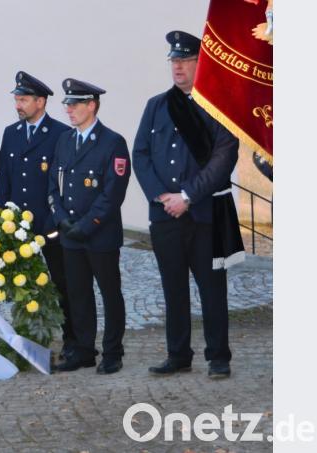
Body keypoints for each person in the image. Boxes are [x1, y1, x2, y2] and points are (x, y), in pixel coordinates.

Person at [132, 31, 240, 379]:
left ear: (199, 63)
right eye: (173, 61)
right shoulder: (156, 106)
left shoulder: (218, 107)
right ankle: (178, 355)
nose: (177, 67)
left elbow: (224, 158)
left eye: (185, 60)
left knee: (212, 289)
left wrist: (187, 196)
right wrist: (162, 196)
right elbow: (141, 154)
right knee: (173, 288)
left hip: (206, 214)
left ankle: (218, 357)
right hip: (165, 215)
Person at [48, 78, 131, 375]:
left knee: (110, 293)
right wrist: (60, 218)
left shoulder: (112, 142)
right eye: (67, 104)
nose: (68, 110)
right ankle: (84, 350)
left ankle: (112, 351)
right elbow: (53, 184)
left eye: (74, 104)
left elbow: (113, 193)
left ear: (91, 105)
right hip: (70, 233)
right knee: (79, 294)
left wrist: (87, 224)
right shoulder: (65, 140)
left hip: (100, 234)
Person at [0, 71, 75, 361]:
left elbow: (62, 184)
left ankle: (71, 339)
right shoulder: (11, 133)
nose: (18, 104)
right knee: (23, 286)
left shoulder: (59, 134)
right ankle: (28, 336)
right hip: (19, 229)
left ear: (41, 101)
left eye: (24, 99)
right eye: (17, 99)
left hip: (49, 225)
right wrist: (6, 220)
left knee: (62, 283)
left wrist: (53, 222)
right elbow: (5, 179)